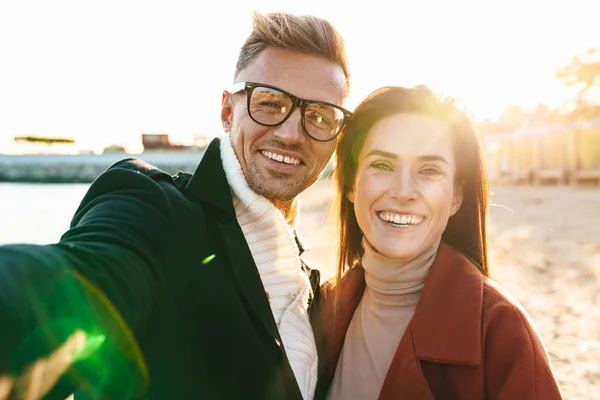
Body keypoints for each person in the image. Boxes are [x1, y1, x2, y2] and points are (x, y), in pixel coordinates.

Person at [0, 11, 352, 400]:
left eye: (320, 115)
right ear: (227, 111)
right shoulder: (152, 209)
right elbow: (75, 283)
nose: (290, 133)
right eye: (269, 103)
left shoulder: (310, 287)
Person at [314, 86, 563, 399]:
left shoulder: (503, 333)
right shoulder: (322, 310)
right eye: (382, 165)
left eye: (429, 170)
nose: (403, 191)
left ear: (457, 196)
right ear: (351, 184)